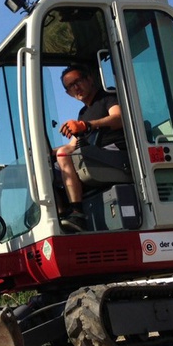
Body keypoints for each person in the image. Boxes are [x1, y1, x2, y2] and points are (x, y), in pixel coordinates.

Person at [53, 66, 125, 232]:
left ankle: (77, 213)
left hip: (115, 152)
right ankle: (62, 215)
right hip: (94, 155)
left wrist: (87, 125)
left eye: (77, 81)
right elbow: (72, 145)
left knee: (63, 155)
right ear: (68, 93)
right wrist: (43, 152)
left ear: (89, 79)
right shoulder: (83, 113)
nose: (76, 88)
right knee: (44, 167)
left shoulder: (107, 96)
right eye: (70, 86)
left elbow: (119, 118)